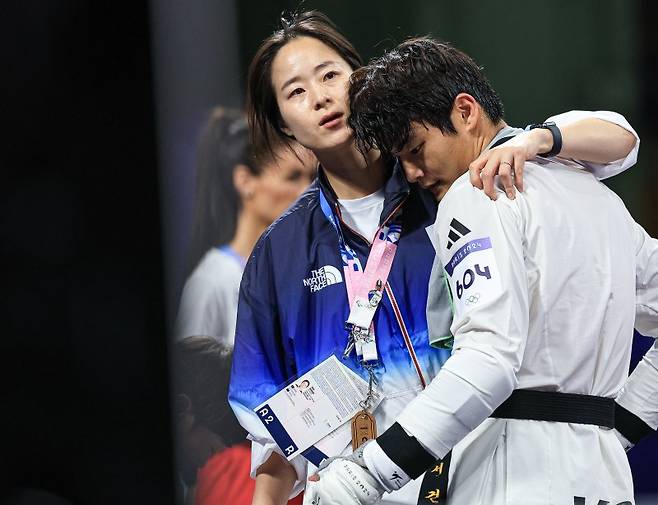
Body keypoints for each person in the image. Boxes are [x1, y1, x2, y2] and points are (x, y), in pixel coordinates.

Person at [228, 11, 641, 505]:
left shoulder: (471, 180)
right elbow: (274, 439)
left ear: (359, 82)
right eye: (295, 92)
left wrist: (540, 138)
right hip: (353, 490)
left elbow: (617, 140)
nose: (318, 97)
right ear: (281, 125)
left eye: (330, 75)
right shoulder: (278, 256)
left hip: (485, 475)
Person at [175, 107, 316, 344]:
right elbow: (191, 371)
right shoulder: (212, 281)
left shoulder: (302, 268)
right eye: (292, 177)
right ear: (245, 181)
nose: (307, 190)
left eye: (311, 178)